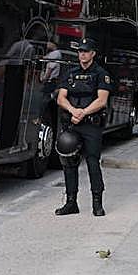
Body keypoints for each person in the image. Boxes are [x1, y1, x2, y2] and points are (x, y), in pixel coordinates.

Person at [54, 38, 112, 216]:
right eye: (80, 51)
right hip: (72, 123)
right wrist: (73, 111)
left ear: (93, 53)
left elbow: (102, 100)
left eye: (86, 51)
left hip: (91, 125)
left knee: (92, 162)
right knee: (69, 162)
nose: (82, 54)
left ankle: (97, 203)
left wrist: (83, 113)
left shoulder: (101, 74)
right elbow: (61, 97)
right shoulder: (70, 73)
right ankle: (71, 202)